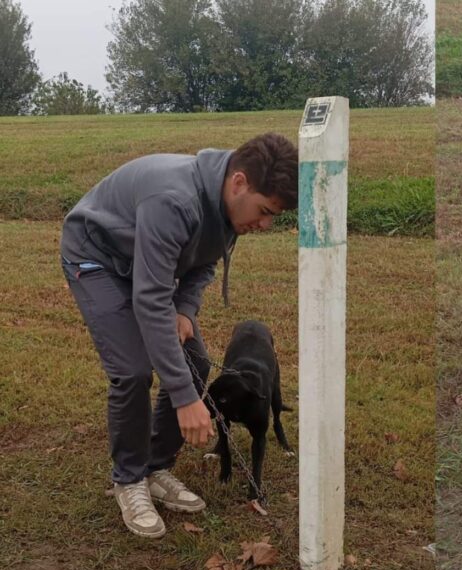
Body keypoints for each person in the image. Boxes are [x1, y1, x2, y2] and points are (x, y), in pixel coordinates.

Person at [60, 133, 298, 538]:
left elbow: (206, 261)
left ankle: (155, 466)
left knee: (197, 362)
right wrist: (186, 398)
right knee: (133, 370)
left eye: (272, 216)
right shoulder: (175, 200)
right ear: (239, 182)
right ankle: (130, 480)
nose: (264, 224)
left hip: (145, 263)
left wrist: (186, 308)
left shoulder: (227, 204)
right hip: (97, 256)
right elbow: (150, 301)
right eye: (263, 211)